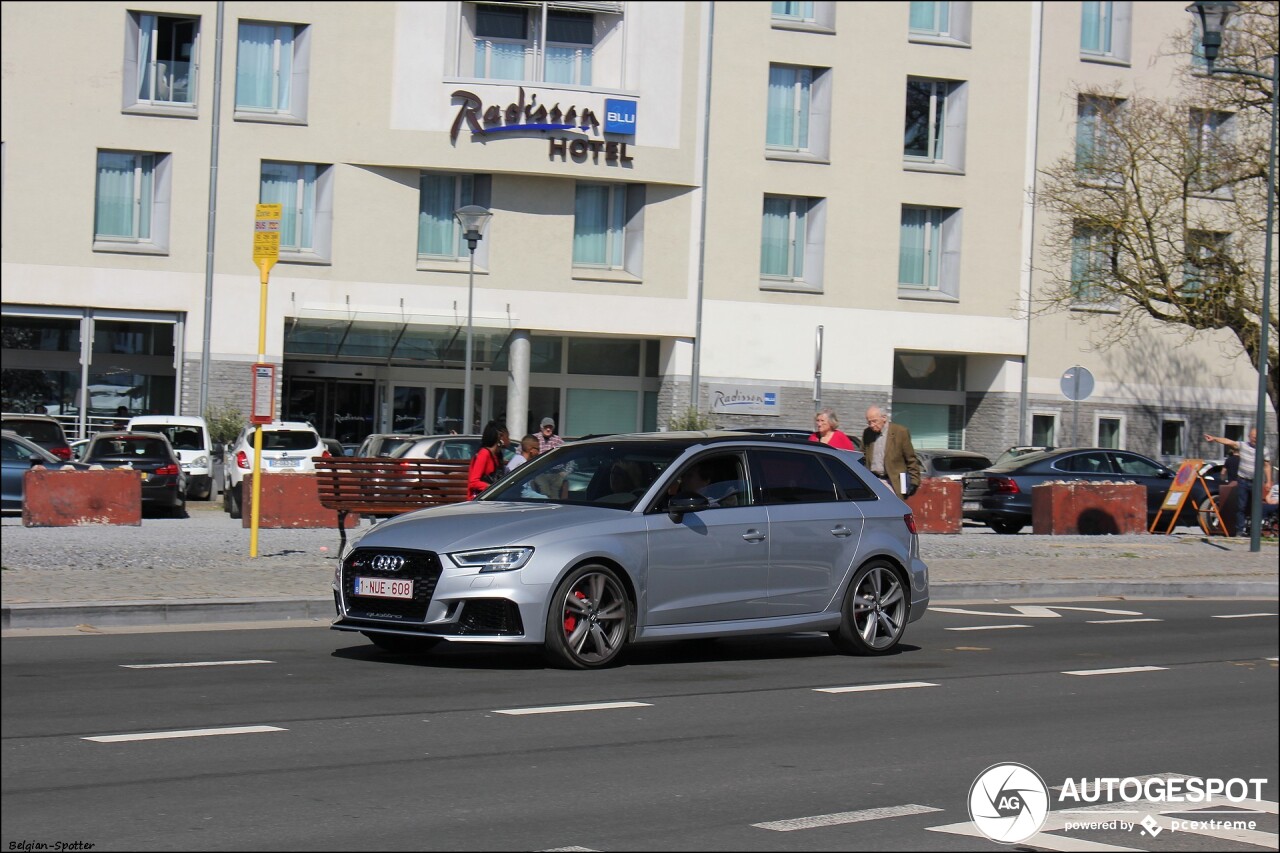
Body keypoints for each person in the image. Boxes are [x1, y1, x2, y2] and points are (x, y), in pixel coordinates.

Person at [1205, 428, 1273, 534]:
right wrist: (1214, 439)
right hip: (1242, 480)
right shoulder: (1243, 446)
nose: (1254, 438)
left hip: (1256, 482)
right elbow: (1228, 441)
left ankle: (1255, 530)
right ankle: (1240, 530)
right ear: (1249, 437)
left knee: (1256, 506)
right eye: (1253, 436)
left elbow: (1267, 466)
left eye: (1257, 437)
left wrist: (1269, 481)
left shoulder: (1264, 450)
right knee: (1241, 506)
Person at [861, 404, 922, 499]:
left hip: (893, 481)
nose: (871, 425)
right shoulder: (867, 433)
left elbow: (911, 459)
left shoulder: (900, 432)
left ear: (884, 418)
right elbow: (862, 456)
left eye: (874, 421)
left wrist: (914, 481)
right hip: (873, 480)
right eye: (869, 422)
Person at [467, 420, 506, 499]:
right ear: (499, 436)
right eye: (506, 435)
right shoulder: (484, 454)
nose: (508, 439)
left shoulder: (497, 455)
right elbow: (473, 482)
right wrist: (493, 488)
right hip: (479, 499)